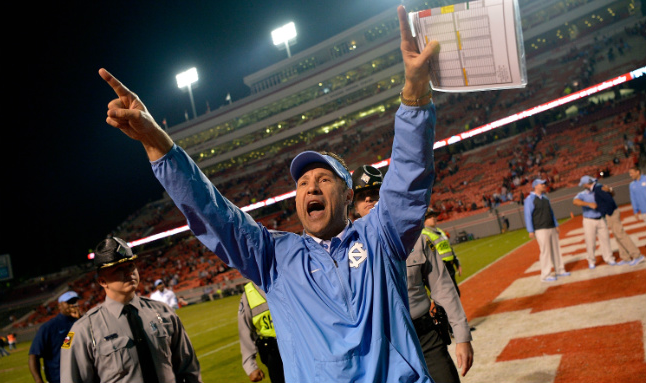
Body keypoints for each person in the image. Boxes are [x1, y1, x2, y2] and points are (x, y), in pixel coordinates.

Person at [98, 5, 439, 382]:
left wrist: (415, 94)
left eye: (323, 179)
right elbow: (213, 212)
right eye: (302, 182)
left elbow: (409, 178)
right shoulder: (274, 258)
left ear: (346, 195)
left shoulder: (380, 236)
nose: (310, 185)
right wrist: (156, 141)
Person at [352, 165, 474, 382]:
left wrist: (462, 336)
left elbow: (443, 288)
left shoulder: (416, 237)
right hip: (384, 349)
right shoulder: (347, 251)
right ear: (354, 206)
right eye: (362, 196)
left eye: (375, 193)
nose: (369, 199)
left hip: (426, 339)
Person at [60, 237, 202, 382]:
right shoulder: (84, 330)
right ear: (102, 281)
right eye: (118, 269)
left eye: (130, 266)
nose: (129, 272)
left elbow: (189, 369)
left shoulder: (163, 312)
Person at [579, 175, 645, 266]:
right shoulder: (599, 187)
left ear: (586, 184)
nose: (583, 186)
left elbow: (609, 201)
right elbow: (610, 195)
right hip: (611, 213)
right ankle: (625, 257)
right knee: (617, 236)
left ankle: (637, 256)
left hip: (611, 213)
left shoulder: (598, 189)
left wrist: (607, 212)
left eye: (583, 184)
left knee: (620, 235)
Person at [29, 291, 82, 383]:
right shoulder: (49, 327)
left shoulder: (81, 322)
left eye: (74, 301)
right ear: (60, 306)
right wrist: (38, 380)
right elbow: (34, 355)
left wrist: (81, 320)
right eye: (68, 302)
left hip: (83, 375)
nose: (72, 305)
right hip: (58, 378)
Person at [524, 179, 571, 282]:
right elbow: (528, 215)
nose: (544, 185)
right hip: (540, 228)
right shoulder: (529, 199)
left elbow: (551, 212)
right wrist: (530, 230)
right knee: (545, 252)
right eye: (542, 184)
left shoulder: (545, 198)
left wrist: (556, 224)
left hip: (551, 227)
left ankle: (560, 270)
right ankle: (545, 275)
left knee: (556, 250)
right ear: (536, 186)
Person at [238, 282, 285, 383]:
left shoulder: (287, 279)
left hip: (301, 348)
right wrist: (250, 366)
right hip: (275, 356)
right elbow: (245, 331)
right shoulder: (249, 294)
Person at [573, 181, 617, 268]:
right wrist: (588, 204)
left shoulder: (598, 190)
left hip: (601, 218)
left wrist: (609, 189)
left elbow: (611, 195)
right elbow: (575, 201)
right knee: (590, 242)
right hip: (589, 220)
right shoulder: (582, 194)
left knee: (605, 239)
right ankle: (591, 260)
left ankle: (609, 258)